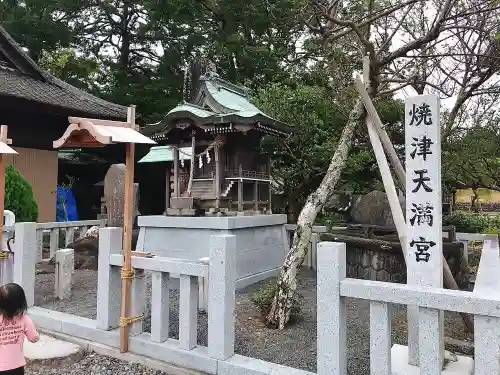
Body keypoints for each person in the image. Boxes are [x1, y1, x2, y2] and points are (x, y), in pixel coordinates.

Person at [0, 283, 39, 375]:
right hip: (16, 365)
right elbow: (33, 338)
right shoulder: (24, 319)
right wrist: (37, 335)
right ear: (21, 303)